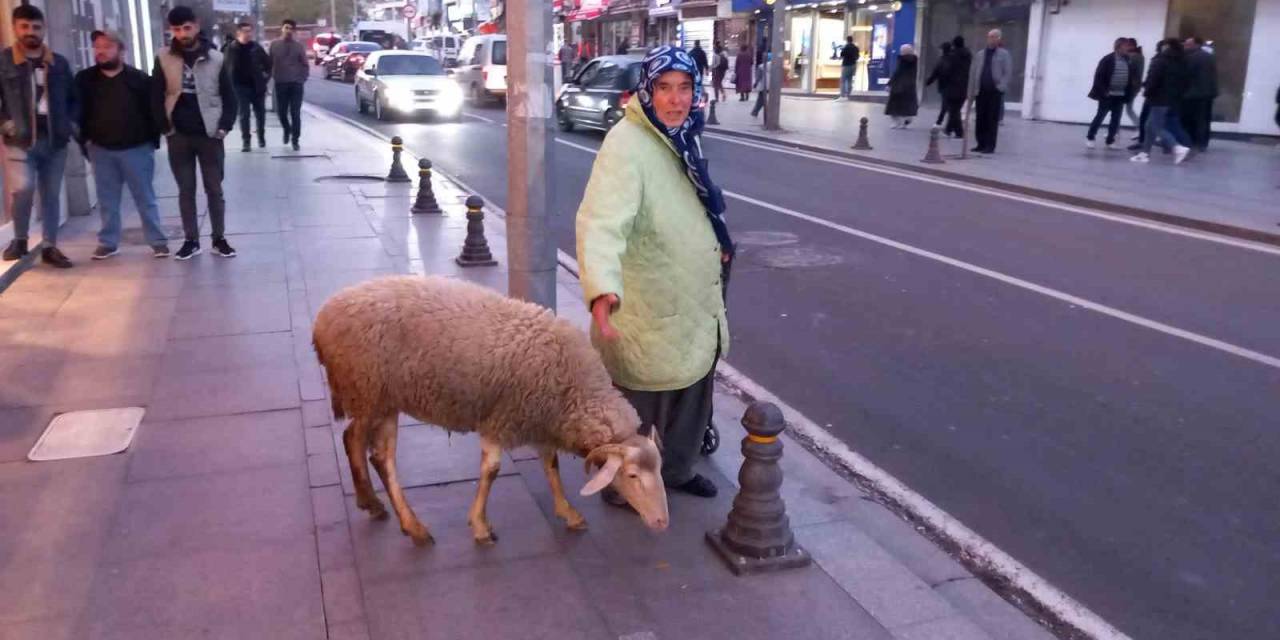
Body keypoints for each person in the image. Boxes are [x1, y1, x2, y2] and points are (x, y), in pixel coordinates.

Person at [576, 45, 732, 503]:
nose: (675, 99)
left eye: (684, 88)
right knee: (640, 406)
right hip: (648, 304)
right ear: (646, 91)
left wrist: (718, 245)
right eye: (664, 88)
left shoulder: (683, 136)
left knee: (691, 395)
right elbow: (601, 222)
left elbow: (696, 202)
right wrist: (602, 290)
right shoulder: (627, 145)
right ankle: (623, 488)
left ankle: (679, 470)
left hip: (690, 302)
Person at [75, 30, 169, 260]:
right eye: (97, 46)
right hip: (101, 149)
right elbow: (77, 112)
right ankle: (108, 242)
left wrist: (151, 142)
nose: (101, 51)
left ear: (121, 50)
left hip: (137, 148)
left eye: (107, 46)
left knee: (145, 198)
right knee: (107, 200)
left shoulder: (139, 80)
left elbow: (153, 112)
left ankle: (157, 241)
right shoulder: (85, 80)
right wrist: (85, 142)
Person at [154, 6, 238, 260]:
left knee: (214, 188)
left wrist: (223, 127)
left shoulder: (216, 58)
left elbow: (229, 96)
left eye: (186, 28)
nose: (182, 33)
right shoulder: (163, 57)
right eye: (177, 29)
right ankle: (191, 240)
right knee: (185, 190)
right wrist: (165, 128)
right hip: (178, 135)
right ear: (171, 30)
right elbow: (155, 94)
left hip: (209, 134)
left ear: (196, 26)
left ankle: (219, 238)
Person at [0, 5, 76, 267]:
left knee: (52, 194)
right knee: (22, 189)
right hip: (19, 141)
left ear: (43, 29)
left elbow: (73, 99)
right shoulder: (5, 61)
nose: (30, 32)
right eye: (25, 26)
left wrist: (70, 124)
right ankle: (20, 238)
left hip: (55, 141)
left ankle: (50, 246)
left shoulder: (58, 63)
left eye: (36, 27)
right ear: (15, 28)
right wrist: (6, 125)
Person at [1130, 38, 1190, 165]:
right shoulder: (1180, 61)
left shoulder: (1160, 60)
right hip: (1171, 98)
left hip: (1158, 97)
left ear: (1167, 46)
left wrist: (1146, 91)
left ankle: (1177, 147)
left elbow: (1153, 78)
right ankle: (1144, 153)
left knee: (1155, 126)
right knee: (1149, 125)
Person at [1086, 37, 1140, 149]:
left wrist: (1129, 92)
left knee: (1116, 119)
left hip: (1120, 95)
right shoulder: (1107, 59)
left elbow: (1130, 77)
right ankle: (1090, 137)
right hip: (1107, 95)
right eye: (1126, 46)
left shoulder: (1127, 60)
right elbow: (1099, 77)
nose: (1128, 48)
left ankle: (1110, 140)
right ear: (1118, 47)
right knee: (1100, 116)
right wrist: (1104, 92)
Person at [223, 22, 270, 153]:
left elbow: (268, 64)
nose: (248, 34)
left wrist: (264, 79)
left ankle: (261, 137)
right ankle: (246, 141)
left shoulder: (256, 47)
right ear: (238, 33)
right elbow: (225, 68)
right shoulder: (231, 49)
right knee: (244, 114)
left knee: (260, 114)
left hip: (257, 86)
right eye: (245, 31)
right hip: (239, 87)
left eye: (249, 31)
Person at [968, 29, 1012, 154]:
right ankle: (980, 143)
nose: (991, 39)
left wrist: (1001, 87)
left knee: (991, 119)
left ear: (999, 39)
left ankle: (990, 145)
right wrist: (971, 90)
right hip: (980, 91)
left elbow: (1007, 72)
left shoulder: (1004, 54)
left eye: (994, 37)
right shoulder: (980, 54)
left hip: (994, 91)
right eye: (989, 36)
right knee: (980, 118)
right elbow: (973, 72)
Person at [268, 19, 308, 151]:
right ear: (282, 29)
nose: (288, 31)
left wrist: (302, 78)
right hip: (281, 83)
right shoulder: (274, 45)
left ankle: (295, 139)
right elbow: (268, 63)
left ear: (294, 31)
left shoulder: (298, 46)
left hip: (296, 84)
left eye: (291, 28)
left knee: (295, 113)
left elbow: (305, 64)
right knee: (282, 112)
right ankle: (287, 129)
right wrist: (268, 78)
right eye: (286, 28)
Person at [1181, 37, 1217, 151]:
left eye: (1187, 45)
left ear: (1196, 45)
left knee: (1192, 119)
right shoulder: (1208, 56)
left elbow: (1186, 75)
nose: (1185, 47)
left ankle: (1193, 142)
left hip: (1193, 94)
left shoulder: (1191, 57)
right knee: (1204, 119)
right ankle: (1202, 143)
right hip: (1207, 93)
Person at [941, 36, 971, 138]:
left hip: (953, 85)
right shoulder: (968, 55)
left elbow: (947, 70)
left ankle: (958, 132)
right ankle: (949, 129)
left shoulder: (952, 56)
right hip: (964, 85)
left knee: (953, 109)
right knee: (956, 108)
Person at [885, 44, 919, 128]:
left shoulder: (902, 60)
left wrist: (889, 84)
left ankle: (896, 122)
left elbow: (897, 72)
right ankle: (907, 119)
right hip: (910, 85)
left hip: (899, 85)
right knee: (907, 104)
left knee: (893, 105)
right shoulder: (914, 60)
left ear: (904, 51)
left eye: (901, 50)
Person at [924, 41, 952, 124]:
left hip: (946, 85)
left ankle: (940, 122)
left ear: (943, 50)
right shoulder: (953, 58)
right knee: (949, 106)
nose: (939, 51)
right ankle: (948, 124)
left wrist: (928, 82)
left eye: (940, 49)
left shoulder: (943, 60)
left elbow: (936, 73)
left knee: (946, 105)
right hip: (953, 85)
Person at [1124, 38, 1145, 130]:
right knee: (1129, 110)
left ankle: (1141, 128)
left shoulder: (1132, 56)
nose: (1125, 47)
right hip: (1135, 86)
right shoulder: (1140, 55)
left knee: (1122, 110)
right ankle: (1141, 128)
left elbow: (1127, 70)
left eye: (1127, 45)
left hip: (1129, 87)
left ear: (1131, 45)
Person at [751, 54, 771, 118]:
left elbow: (758, 77)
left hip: (763, 85)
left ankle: (755, 112)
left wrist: (755, 84)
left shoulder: (761, 66)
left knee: (761, 99)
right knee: (764, 99)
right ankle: (756, 112)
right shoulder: (774, 65)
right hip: (772, 85)